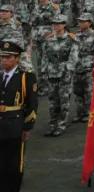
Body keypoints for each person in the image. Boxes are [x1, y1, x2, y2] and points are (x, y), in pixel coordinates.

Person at [0, 40, 37, 192]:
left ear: (17, 59)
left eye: (8, 57)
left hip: (15, 126)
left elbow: (32, 104)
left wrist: (27, 127)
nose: (4, 60)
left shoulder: (26, 77)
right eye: (2, 57)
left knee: (14, 164)